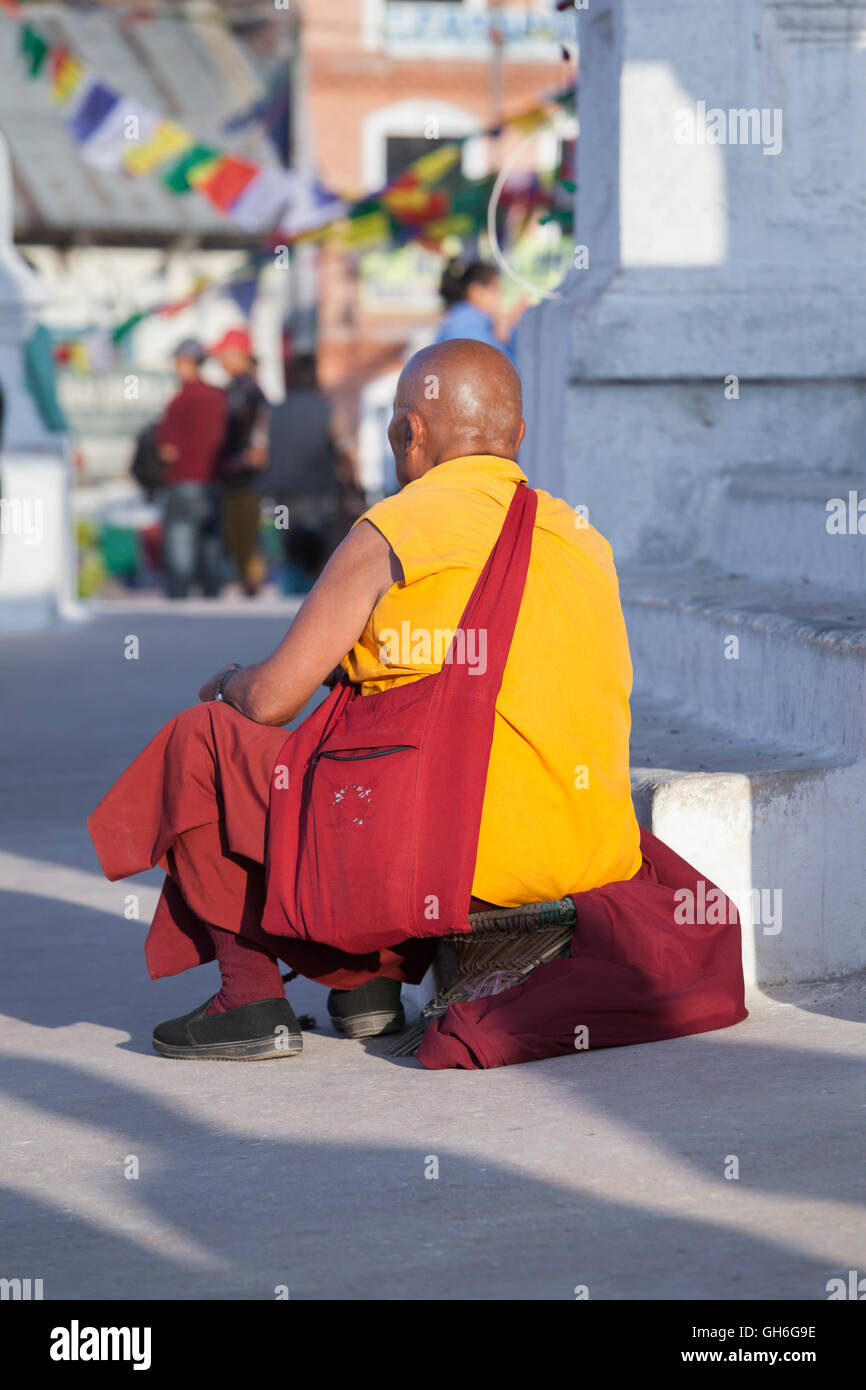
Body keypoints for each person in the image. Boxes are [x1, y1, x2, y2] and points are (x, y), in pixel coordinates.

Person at [88, 339, 746, 1067]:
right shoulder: (583, 538)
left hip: (463, 856)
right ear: (516, 441)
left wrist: (231, 681)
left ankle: (249, 997)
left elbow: (275, 698)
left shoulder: (400, 526)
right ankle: (368, 989)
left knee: (207, 739)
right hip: (585, 851)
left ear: (411, 434)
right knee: (377, 731)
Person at [261, 353, 340, 592]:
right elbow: (340, 443)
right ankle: (311, 589)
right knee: (316, 539)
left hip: (282, 491)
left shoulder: (272, 411)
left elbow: (259, 451)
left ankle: (290, 586)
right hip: (319, 489)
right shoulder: (327, 410)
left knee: (287, 539)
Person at [156, 338, 227, 600]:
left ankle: (179, 597)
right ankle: (212, 594)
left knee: (180, 545)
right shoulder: (220, 397)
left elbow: (168, 451)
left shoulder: (179, 401)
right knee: (211, 544)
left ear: (186, 363)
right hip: (214, 480)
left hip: (184, 481)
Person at [211, 328, 269, 597]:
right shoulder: (233, 389)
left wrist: (255, 452)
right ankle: (247, 581)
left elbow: (262, 427)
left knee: (246, 534)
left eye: (225, 354)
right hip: (232, 475)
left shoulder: (250, 391)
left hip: (246, 478)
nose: (221, 360)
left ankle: (253, 581)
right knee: (237, 535)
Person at [435, 259, 522, 363]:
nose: (500, 296)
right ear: (475, 291)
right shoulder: (465, 321)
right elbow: (492, 365)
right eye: (496, 289)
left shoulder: (473, 318)